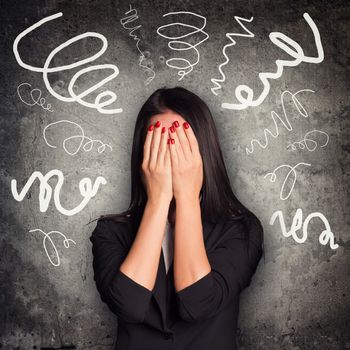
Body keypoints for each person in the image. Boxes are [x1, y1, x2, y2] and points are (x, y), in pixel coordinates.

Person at [89, 86, 265, 350]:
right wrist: (158, 201)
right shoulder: (111, 231)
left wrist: (187, 198)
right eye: (158, 145)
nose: (170, 157)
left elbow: (199, 302)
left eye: (180, 145)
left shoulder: (242, 229)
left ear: (203, 150)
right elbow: (129, 305)